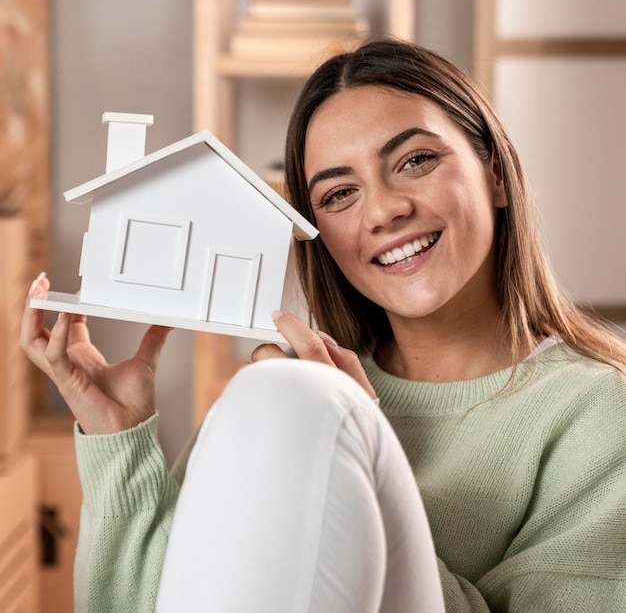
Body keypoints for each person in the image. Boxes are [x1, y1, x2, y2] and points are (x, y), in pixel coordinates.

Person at [20, 37, 626, 612]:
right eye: (338, 195)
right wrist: (119, 441)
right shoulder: (287, 390)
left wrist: (358, 428)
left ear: (495, 172)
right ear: (319, 237)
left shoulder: (598, 412)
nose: (385, 210)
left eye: (415, 160)